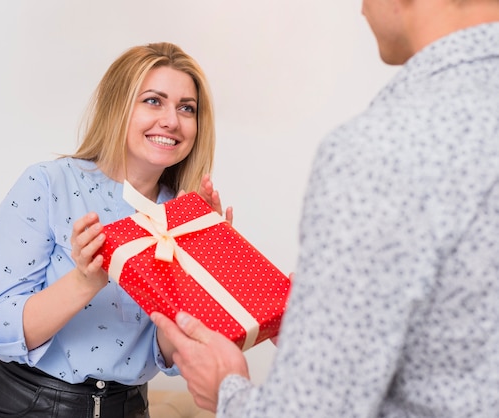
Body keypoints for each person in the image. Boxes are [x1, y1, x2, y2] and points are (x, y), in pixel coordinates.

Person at [151, 0, 499, 416]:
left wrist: (228, 393)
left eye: (186, 107)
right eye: (153, 101)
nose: (362, 8)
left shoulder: (380, 149)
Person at [0, 42, 232, 418]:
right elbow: (1, 327)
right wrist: (86, 280)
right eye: (154, 101)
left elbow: (167, 353)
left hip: (128, 408)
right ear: (117, 106)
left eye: (187, 108)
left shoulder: (183, 214)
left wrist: (198, 267)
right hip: (24, 405)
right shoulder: (48, 184)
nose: (172, 120)